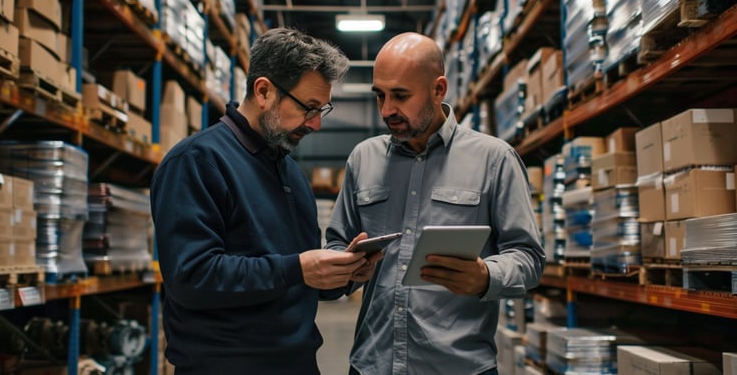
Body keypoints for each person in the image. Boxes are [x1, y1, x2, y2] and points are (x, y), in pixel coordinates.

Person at [151, 28, 380, 374]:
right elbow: (191, 277)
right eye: (309, 108)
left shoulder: (290, 173)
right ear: (263, 91)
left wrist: (345, 276)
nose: (316, 124)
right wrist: (298, 268)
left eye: (323, 109)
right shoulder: (198, 163)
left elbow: (292, 281)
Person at [325, 32, 546, 375]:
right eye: (379, 96)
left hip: (458, 366)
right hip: (373, 364)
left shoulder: (494, 159)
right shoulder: (362, 160)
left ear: (438, 89)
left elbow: (529, 257)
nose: (387, 110)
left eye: (400, 96)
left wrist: (487, 276)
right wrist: (346, 266)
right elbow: (338, 242)